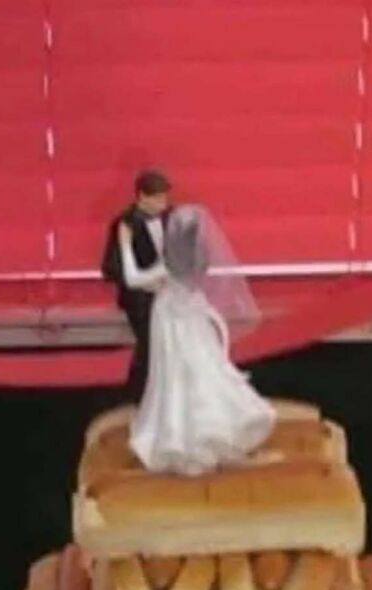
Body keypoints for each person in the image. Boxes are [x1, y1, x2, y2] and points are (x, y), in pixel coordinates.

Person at [117, 203, 275, 475]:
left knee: (175, 377)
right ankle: (212, 428)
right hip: (195, 318)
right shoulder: (199, 259)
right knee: (202, 371)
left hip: (171, 321)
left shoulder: (168, 267)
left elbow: (133, 279)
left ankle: (183, 437)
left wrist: (125, 245)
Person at [101, 169, 172, 401]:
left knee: (167, 346)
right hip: (140, 299)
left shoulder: (169, 216)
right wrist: (147, 282)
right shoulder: (125, 223)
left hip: (168, 293)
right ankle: (139, 397)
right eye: (158, 198)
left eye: (164, 197)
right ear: (142, 196)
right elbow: (112, 268)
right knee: (149, 346)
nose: (163, 203)